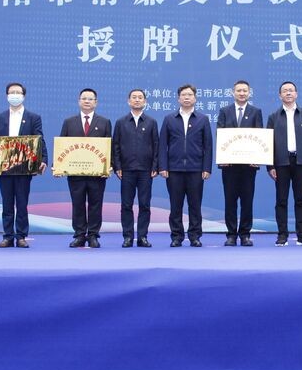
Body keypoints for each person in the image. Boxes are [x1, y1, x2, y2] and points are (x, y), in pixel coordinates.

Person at [0, 82, 46, 248]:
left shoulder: (33, 117)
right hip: (4, 166)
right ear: (7, 96)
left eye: (18, 92)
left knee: (21, 203)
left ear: (23, 96)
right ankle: (7, 236)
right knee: (7, 203)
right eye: (11, 92)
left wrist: (43, 159)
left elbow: (39, 140)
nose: (15, 95)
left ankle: (21, 236)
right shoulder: (0, 117)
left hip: (24, 167)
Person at [158, 84, 212, 247]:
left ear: (195, 98)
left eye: (190, 95)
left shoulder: (202, 119)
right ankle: (177, 236)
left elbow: (208, 145)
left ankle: (195, 236)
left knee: (195, 205)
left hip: (196, 169)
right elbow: (162, 144)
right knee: (176, 205)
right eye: (183, 95)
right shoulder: (169, 119)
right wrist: (163, 166)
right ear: (178, 98)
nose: (187, 97)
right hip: (174, 169)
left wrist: (206, 168)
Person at [60, 88, 112, 248]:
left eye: (90, 99)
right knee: (78, 204)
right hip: (75, 172)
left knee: (96, 204)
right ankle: (80, 235)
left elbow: (109, 146)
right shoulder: (69, 122)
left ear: (96, 102)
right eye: (84, 98)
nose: (87, 101)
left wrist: (109, 166)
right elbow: (62, 146)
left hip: (97, 174)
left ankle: (93, 235)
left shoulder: (104, 122)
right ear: (79, 101)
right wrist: (59, 166)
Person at [216, 80, 263, 246]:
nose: (242, 93)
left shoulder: (256, 112)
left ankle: (245, 234)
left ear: (249, 93)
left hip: (249, 166)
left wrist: (257, 158)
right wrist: (223, 158)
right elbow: (220, 134)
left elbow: (259, 136)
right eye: (239, 91)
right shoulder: (225, 111)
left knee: (247, 201)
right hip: (229, 165)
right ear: (233, 93)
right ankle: (231, 235)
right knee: (230, 201)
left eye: (245, 91)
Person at [267, 81, 302, 246]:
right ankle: (282, 235)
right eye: (285, 91)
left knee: (300, 200)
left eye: (291, 90)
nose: (288, 93)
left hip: (301, 162)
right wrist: (270, 166)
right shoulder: (273, 117)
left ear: (296, 94)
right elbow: (268, 142)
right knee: (281, 200)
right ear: (280, 95)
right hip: (281, 163)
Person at [112, 88, 159, 248]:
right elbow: (115, 146)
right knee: (126, 205)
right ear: (128, 101)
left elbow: (156, 145)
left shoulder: (151, 122)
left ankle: (142, 237)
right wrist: (117, 166)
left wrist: (155, 166)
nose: (137, 100)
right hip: (126, 170)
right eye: (134, 97)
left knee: (144, 204)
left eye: (140, 97)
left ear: (145, 101)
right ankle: (127, 237)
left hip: (146, 170)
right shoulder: (121, 122)